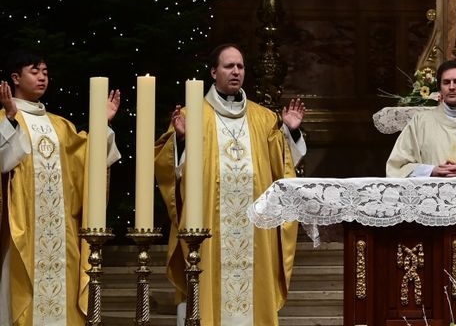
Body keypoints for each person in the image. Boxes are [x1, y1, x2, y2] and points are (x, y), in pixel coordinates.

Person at [154, 44, 307, 326]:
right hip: (209, 228)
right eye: (228, 66)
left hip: (254, 228)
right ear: (213, 72)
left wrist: (290, 131)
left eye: (240, 66)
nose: (236, 71)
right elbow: (167, 168)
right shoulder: (192, 115)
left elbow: (281, 166)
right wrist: (182, 140)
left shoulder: (263, 118)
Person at [0, 49, 120, 326]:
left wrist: (103, 124)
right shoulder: (5, 119)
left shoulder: (61, 126)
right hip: (22, 231)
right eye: (35, 71)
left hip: (61, 234)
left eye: (45, 72)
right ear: (15, 78)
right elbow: (4, 161)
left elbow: (88, 162)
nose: (43, 77)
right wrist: (9, 119)